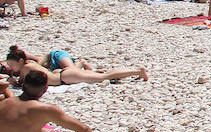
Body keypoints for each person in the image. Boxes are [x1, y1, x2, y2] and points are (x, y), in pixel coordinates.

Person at [5, 45, 147, 86]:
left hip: (65, 77)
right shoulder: (28, 65)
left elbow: (23, 85)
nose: (10, 67)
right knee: (101, 76)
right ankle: (81, 64)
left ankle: (137, 71)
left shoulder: (27, 68)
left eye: (12, 64)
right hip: (63, 75)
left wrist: (13, 81)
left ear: (21, 62)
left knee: (104, 77)